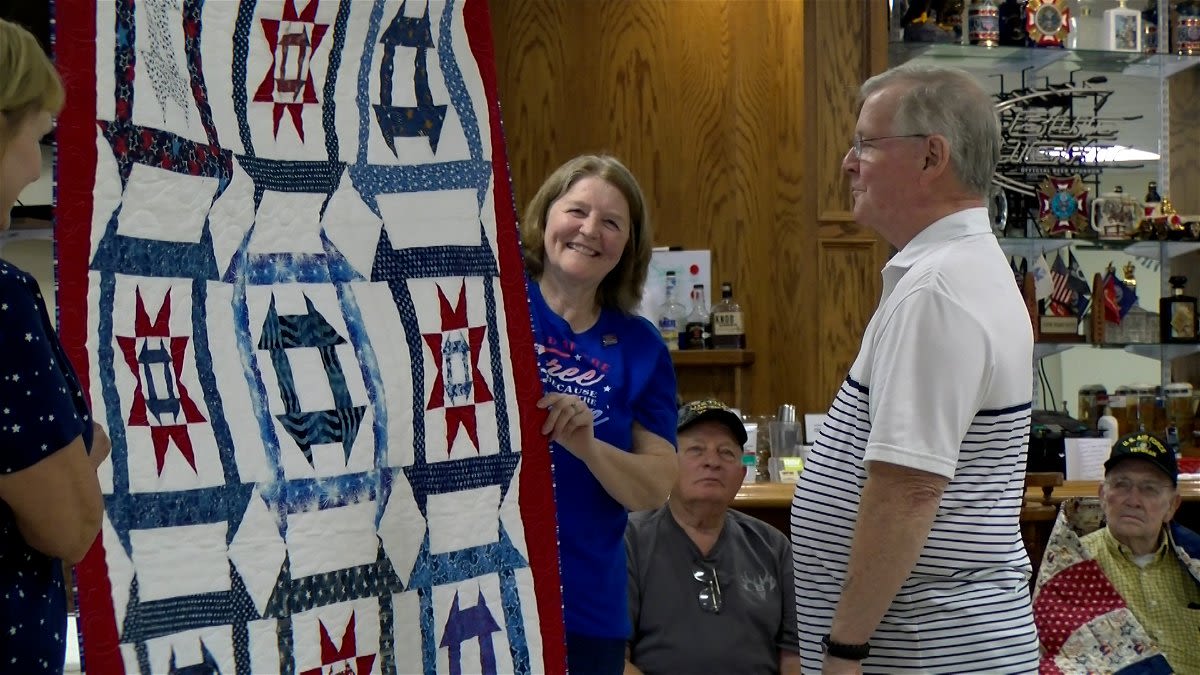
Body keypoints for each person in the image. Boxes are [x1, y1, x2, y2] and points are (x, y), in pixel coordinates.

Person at [789, 62, 1039, 674]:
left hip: (926, 648)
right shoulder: (952, 273)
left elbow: (909, 490)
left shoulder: (939, 290)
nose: (848, 162)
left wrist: (845, 649)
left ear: (932, 157)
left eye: (866, 144)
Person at [521, 154, 679, 674]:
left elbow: (654, 487)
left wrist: (587, 446)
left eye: (612, 223)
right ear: (546, 216)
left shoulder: (640, 347)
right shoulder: (491, 308)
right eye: (577, 211)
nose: (590, 231)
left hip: (586, 603)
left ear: (628, 247)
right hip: (484, 589)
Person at [0, 18, 113, 673]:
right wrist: (84, 443)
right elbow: (69, 524)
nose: (31, 169)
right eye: (35, 140)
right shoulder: (5, 302)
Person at [625, 399, 799, 675]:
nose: (712, 462)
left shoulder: (773, 545)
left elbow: (793, 657)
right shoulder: (629, 541)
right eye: (696, 450)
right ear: (668, 464)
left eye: (726, 453)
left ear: (742, 475)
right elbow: (611, 658)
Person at [1033, 433, 1200, 673]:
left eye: (1149, 489)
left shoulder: (1194, 563)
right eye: (1121, 484)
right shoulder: (1072, 567)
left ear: (1172, 505)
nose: (1133, 500)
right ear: (1102, 495)